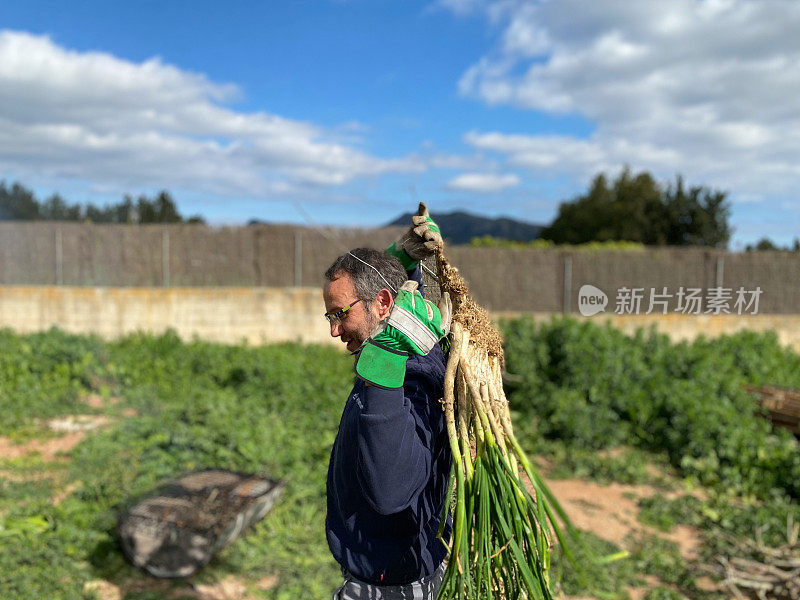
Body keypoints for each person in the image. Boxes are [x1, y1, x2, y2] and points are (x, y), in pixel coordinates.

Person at [323, 205, 452, 600]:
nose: (333, 330)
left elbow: (390, 491)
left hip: (392, 585)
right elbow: (388, 302)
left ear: (383, 304)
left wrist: (387, 355)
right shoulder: (401, 335)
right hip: (387, 569)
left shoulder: (409, 378)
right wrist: (401, 258)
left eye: (339, 314)